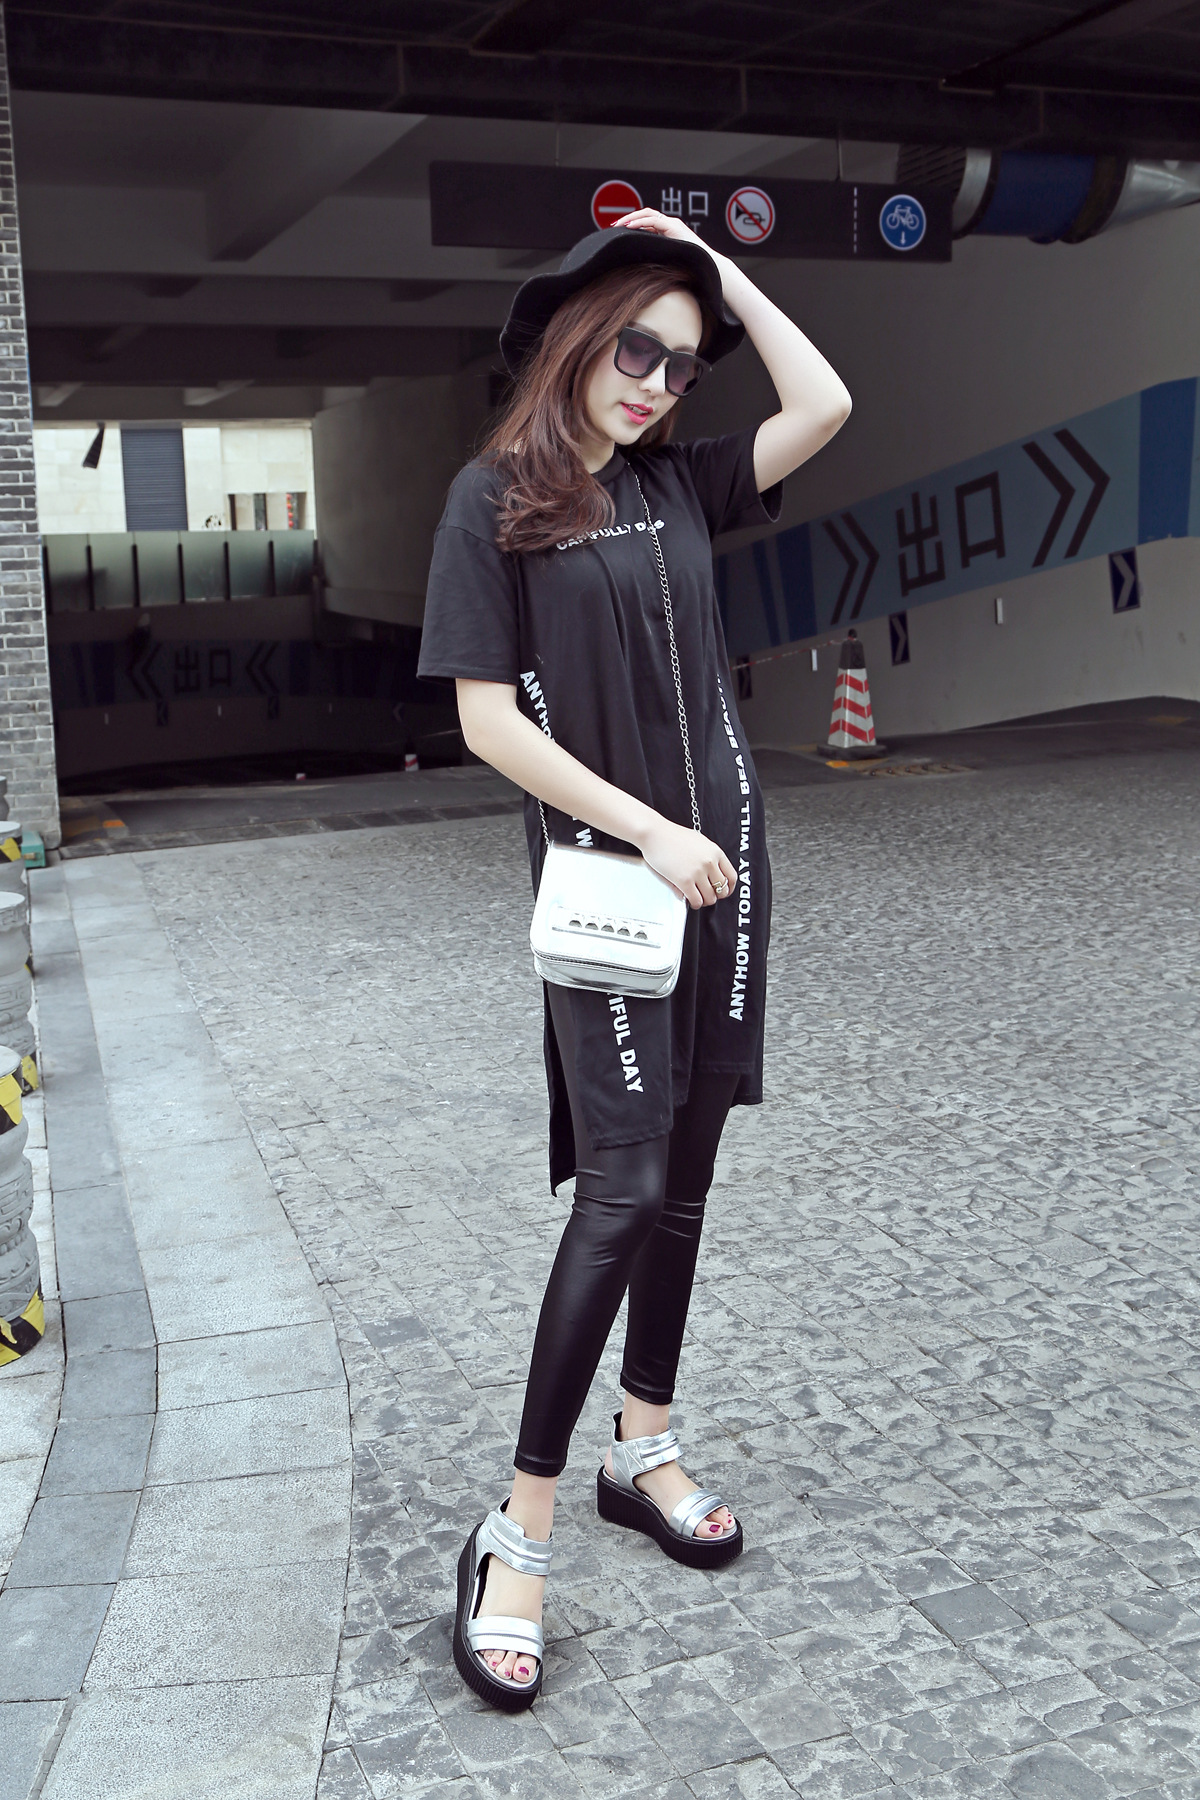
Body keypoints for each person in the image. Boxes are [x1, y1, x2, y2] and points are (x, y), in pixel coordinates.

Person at [418, 210, 851, 1710]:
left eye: (681, 362)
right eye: (636, 350)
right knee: (620, 1191)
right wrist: (650, 830)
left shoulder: (678, 481)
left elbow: (826, 402)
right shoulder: (492, 500)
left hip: (725, 877)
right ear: (575, 339)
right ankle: (516, 1533)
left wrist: (719, 274)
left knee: (687, 1178)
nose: (657, 382)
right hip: (616, 888)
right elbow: (486, 721)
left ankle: (642, 1446)